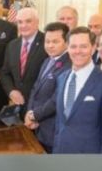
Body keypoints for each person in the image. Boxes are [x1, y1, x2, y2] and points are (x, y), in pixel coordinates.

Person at [53, 27, 102, 153]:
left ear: (93, 48)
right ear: (67, 47)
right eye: (73, 46)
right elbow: (60, 122)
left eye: (83, 46)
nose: (77, 51)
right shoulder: (61, 78)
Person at [24, 22, 71, 153]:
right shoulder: (47, 61)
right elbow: (35, 89)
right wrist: (30, 113)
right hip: (37, 126)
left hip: (52, 130)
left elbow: (57, 99)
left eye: (55, 41)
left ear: (66, 42)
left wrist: (35, 115)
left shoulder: (70, 65)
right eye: (47, 41)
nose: (50, 45)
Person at [0, 7, 48, 107]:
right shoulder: (12, 45)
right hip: (17, 106)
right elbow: (5, 73)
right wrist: (11, 91)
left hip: (40, 106)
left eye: (28, 21)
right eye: (20, 22)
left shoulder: (47, 43)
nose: (23, 25)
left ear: (37, 22)